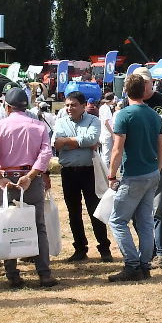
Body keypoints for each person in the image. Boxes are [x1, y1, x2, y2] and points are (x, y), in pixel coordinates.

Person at [0, 87, 58, 289]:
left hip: (8, 179)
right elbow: (46, 153)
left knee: (8, 225)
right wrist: (32, 175)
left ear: (7, 106)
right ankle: (44, 273)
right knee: (38, 226)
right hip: (30, 179)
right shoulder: (39, 126)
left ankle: (12, 274)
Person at [105, 73, 162, 281]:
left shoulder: (123, 115)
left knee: (118, 221)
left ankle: (131, 264)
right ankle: (144, 265)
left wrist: (111, 175)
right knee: (145, 221)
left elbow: (117, 149)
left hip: (133, 175)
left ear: (125, 91)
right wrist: (156, 169)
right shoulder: (154, 116)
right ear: (145, 91)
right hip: (151, 173)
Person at [52, 90, 113, 262]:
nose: (69, 108)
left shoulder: (93, 120)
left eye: (73, 105)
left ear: (83, 106)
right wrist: (79, 142)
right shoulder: (60, 121)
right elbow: (56, 143)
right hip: (69, 172)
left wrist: (68, 141)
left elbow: (92, 139)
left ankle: (104, 248)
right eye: (67, 105)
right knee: (74, 212)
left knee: (95, 210)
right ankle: (80, 248)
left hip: (89, 171)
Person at [133, 68, 162, 267]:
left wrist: (155, 125)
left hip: (160, 158)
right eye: (139, 82)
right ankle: (147, 250)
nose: (144, 86)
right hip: (137, 160)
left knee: (158, 207)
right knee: (138, 208)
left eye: (146, 82)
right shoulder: (130, 101)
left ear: (152, 82)